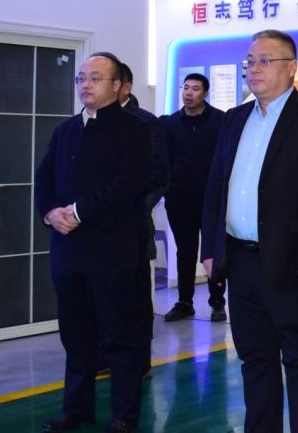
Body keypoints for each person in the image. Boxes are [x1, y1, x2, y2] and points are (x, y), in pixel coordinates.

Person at [201, 29, 298, 433]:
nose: (254, 69)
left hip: (293, 262)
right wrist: (211, 247)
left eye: (265, 60)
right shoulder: (234, 119)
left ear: (291, 67)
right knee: (254, 358)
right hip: (239, 259)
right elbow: (215, 187)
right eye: (250, 61)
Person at [35, 53, 152, 433]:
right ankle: (76, 408)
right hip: (68, 250)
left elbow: (128, 184)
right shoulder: (65, 130)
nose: (85, 85)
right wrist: (50, 213)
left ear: (117, 86)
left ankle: (124, 415)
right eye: (81, 78)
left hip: (112, 250)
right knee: (76, 334)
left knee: (120, 335)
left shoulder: (135, 130)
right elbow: (44, 178)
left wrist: (79, 211)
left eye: (96, 78)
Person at [116, 61, 170, 377]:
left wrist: (138, 206)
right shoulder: (88, 121)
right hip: (98, 227)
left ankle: (139, 360)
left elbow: (160, 175)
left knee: (135, 294)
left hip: (133, 223)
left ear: (124, 86)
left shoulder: (146, 123)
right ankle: (107, 355)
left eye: (99, 79)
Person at [160, 73, 226, 322]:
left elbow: (225, 158)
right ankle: (184, 301)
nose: (188, 93)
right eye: (186, 88)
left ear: (205, 93)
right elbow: (165, 158)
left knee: (214, 251)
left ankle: (217, 302)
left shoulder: (220, 120)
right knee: (185, 251)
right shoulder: (171, 123)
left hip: (212, 199)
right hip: (180, 198)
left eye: (195, 89)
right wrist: (169, 186)